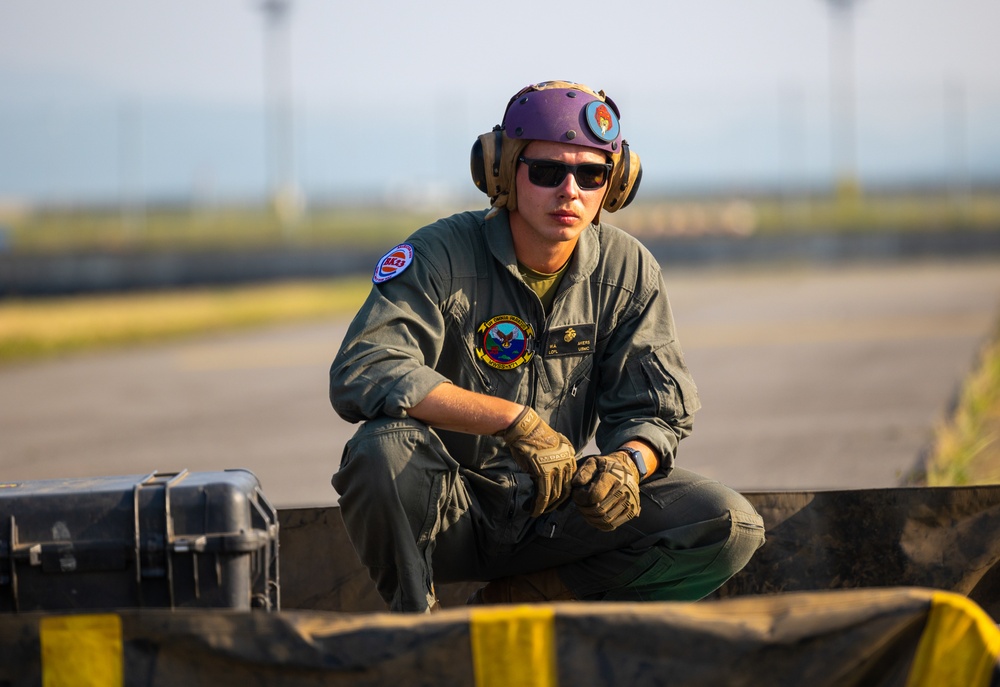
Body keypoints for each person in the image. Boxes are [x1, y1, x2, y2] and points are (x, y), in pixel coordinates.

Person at [329, 80, 765, 613]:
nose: (570, 190)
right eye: (547, 171)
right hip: (448, 509)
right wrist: (514, 421)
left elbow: (655, 412)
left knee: (727, 524)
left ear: (616, 184)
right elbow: (366, 367)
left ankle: (526, 598)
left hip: (555, 511)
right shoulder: (439, 254)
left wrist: (627, 464)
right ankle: (419, 629)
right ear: (503, 171)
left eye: (592, 174)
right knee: (380, 449)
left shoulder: (628, 270)